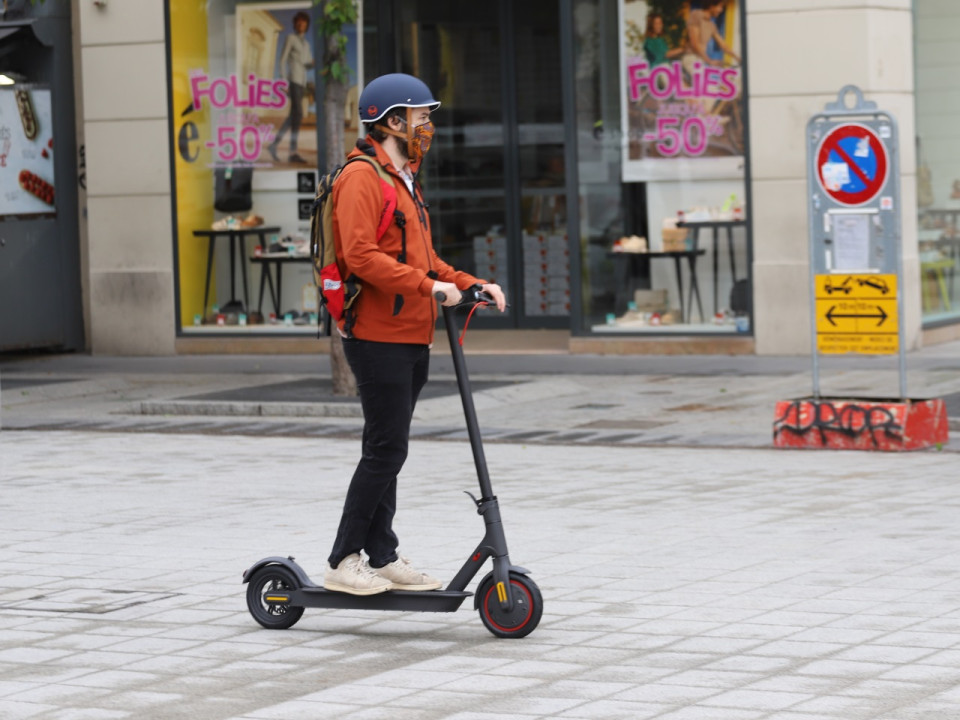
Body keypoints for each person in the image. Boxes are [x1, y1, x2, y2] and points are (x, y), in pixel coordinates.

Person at [323, 73, 507, 596]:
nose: (428, 126)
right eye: (421, 116)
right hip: (376, 334)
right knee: (386, 449)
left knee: (388, 448)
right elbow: (361, 256)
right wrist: (429, 288)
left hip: (410, 334)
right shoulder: (361, 178)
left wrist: (469, 284)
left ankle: (381, 555)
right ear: (391, 121)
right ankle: (343, 559)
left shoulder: (403, 177)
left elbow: (424, 259)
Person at [268, 11, 313, 164]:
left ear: (306, 25)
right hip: (293, 81)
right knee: (298, 114)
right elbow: (282, 60)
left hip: (301, 82)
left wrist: (314, 63)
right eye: (298, 22)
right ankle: (291, 152)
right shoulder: (290, 38)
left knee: (294, 116)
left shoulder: (306, 45)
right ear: (295, 24)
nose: (301, 24)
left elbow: (306, 65)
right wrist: (283, 82)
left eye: (303, 22)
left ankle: (275, 145)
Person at [683, 0, 740, 74]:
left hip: (700, 60)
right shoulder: (696, 15)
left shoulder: (711, 25)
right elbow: (694, 43)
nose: (721, 10)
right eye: (720, 7)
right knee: (704, 80)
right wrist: (709, 61)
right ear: (711, 6)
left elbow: (723, 45)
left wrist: (738, 58)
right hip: (691, 58)